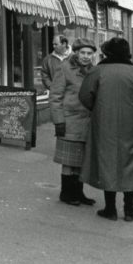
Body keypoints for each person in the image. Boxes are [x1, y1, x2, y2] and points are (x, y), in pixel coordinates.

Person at [79, 37, 133, 221]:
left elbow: (85, 96)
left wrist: (98, 110)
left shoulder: (97, 72)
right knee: (130, 163)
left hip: (104, 124)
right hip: (131, 125)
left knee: (107, 163)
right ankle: (129, 211)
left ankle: (110, 209)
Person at [49, 37, 98, 206]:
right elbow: (55, 97)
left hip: (87, 122)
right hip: (69, 121)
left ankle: (79, 192)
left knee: (82, 160)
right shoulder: (64, 68)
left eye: (89, 53)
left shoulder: (94, 71)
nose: (86, 56)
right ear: (76, 53)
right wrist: (58, 121)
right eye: (83, 52)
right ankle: (66, 193)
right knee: (69, 161)